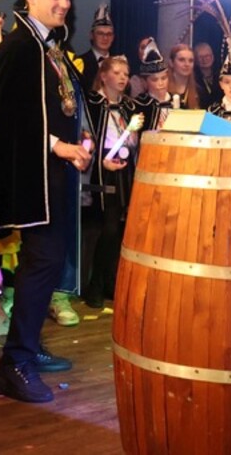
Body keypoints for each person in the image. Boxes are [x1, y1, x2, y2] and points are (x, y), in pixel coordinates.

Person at [0, 0, 91, 403]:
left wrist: (78, 138)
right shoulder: (18, 47)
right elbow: (6, 120)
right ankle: (14, 362)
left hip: (52, 177)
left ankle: (28, 346)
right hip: (33, 178)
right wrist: (58, 147)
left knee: (47, 262)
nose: (64, 3)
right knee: (42, 262)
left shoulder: (49, 47)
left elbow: (57, 106)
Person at [83, 56, 138, 308]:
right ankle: (94, 285)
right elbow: (86, 137)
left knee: (119, 230)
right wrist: (100, 161)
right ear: (103, 76)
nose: (122, 77)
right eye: (116, 73)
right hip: (101, 171)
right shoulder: (93, 103)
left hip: (124, 170)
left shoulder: (128, 106)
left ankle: (109, 282)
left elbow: (132, 141)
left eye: (125, 73)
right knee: (108, 229)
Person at [132, 37, 176, 131]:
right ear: (145, 82)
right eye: (154, 80)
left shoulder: (177, 101)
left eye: (164, 78)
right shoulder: (140, 104)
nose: (160, 83)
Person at [75, 2, 116, 94]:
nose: (105, 38)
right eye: (100, 33)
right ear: (91, 35)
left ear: (113, 37)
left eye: (109, 34)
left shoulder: (119, 62)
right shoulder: (79, 62)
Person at [167, 43, 199, 109]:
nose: (187, 64)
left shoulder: (199, 91)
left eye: (191, 61)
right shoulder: (163, 90)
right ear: (171, 63)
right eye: (181, 60)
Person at [193, 41, 220, 108]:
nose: (204, 59)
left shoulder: (221, 74)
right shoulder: (193, 78)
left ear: (213, 57)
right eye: (200, 57)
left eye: (207, 56)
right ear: (195, 59)